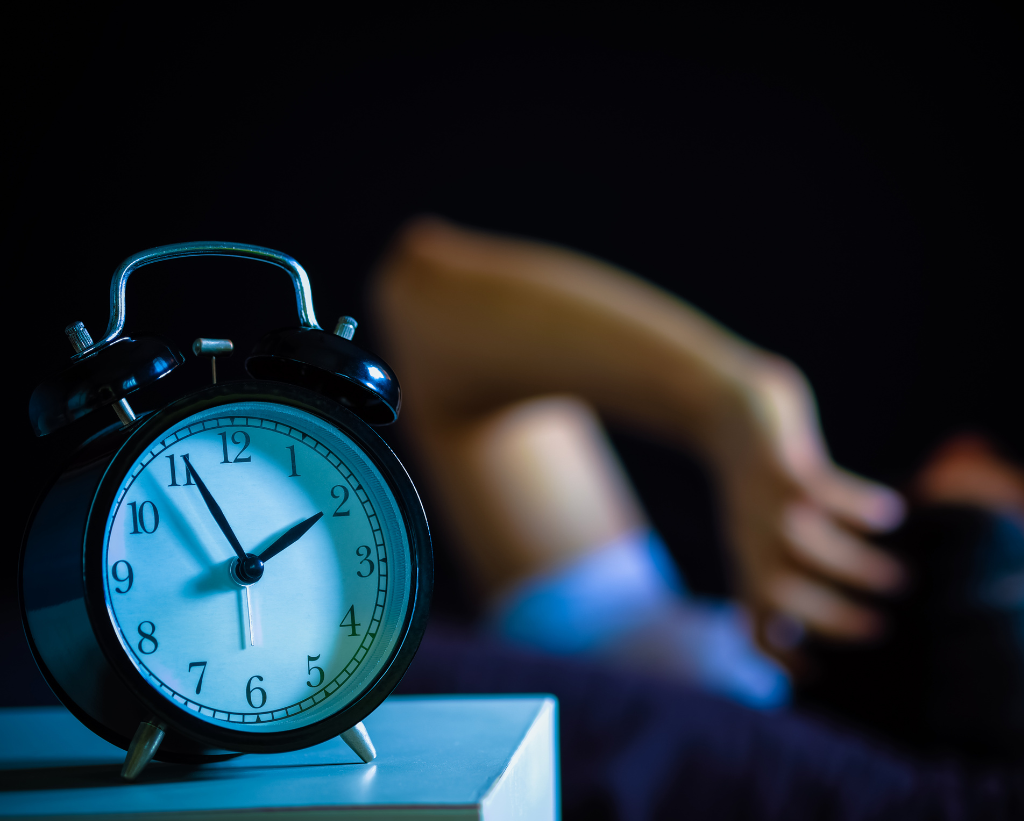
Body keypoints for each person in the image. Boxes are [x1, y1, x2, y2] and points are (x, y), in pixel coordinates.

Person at [370, 216, 906, 697]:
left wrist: (741, 395)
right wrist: (742, 404)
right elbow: (425, 298)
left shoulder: (673, 677)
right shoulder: (683, 671)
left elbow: (424, 301)